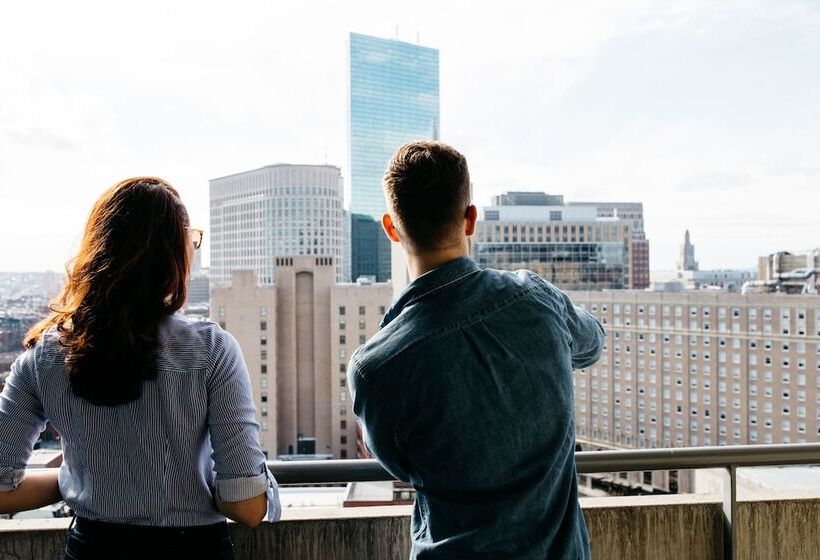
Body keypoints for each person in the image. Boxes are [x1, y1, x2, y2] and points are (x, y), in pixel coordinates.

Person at [0, 177, 280, 559]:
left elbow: (2, 490)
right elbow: (247, 507)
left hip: (93, 548)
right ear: (175, 254)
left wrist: (74, 480)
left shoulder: (42, 359)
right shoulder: (211, 350)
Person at [348, 142, 604, 559]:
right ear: (470, 219)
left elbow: (402, 465)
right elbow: (593, 343)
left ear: (391, 229)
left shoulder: (374, 367)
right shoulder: (537, 300)